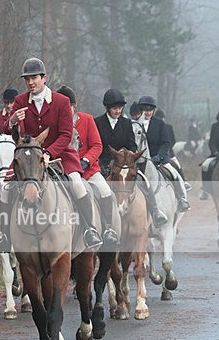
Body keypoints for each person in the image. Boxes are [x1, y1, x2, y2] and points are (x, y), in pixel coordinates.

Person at [0, 57, 103, 252]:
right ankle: (4, 236)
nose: (30, 82)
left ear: (44, 78)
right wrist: (12, 121)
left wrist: (49, 153)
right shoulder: (20, 101)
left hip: (60, 154)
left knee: (77, 183)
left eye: (34, 78)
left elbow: (67, 134)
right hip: (28, 157)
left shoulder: (62, 102)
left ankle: (89, 229)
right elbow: (5, 130)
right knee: (7, 187)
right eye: (27, 79)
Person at [94, 89, 168, 227]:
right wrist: (104, 162)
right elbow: (96, 144)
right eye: (114, 108)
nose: (118, 111)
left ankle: (155, 212)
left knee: (143, 181)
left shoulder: (127, 123)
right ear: (107, 107)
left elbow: (132, 145)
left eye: (120, 108)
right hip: (104, 163)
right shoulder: (97, 122)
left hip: (125, 163)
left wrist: (126, 154)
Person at [57, 86, 118, 246]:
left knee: (105, 192)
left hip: (89, 170)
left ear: (74, 106)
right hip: (65, 170)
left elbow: (97, 145)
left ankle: (107, 228)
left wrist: (86, 160)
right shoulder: (55, 124)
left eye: (68, 106)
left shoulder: (87, 119)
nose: (65, 110)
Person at [137, 95, 189, 212]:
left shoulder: (159, 123)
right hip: (139, 159)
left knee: (173, 172)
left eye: (150, 110)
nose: (148, 113)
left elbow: (166, 142)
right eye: (146, 110)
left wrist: (159, 156)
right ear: (141, 110)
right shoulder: (135, 124)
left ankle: (181, 198)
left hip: (158, 157)